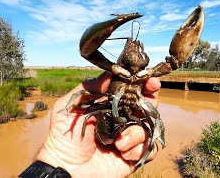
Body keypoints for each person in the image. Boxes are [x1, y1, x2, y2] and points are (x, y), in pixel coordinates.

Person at [20, 71, 162, 178]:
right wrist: (60, 159)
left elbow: (156, 119)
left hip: (121, 129)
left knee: (155, 123)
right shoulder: (112, 76)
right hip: (104, 117)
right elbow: (82, 93)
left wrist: (157, 132)